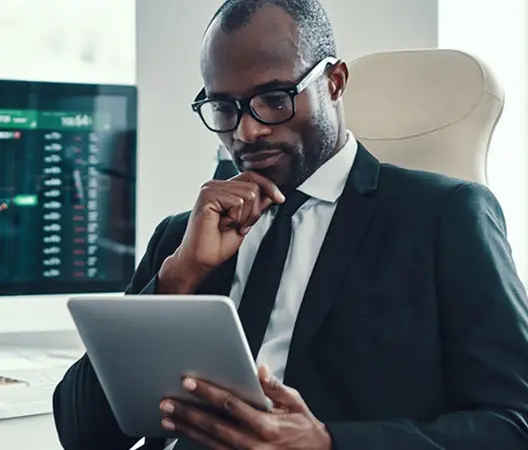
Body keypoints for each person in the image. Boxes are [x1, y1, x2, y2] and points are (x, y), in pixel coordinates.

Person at [52, 0, 528, 449]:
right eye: (223, 109)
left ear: (335, 82)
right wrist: (176, 278)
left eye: (274, 99)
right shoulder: (184, 239)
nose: (247, 131)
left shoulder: (443, 218)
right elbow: (80, 433)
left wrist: (328, 443)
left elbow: (515, 422)